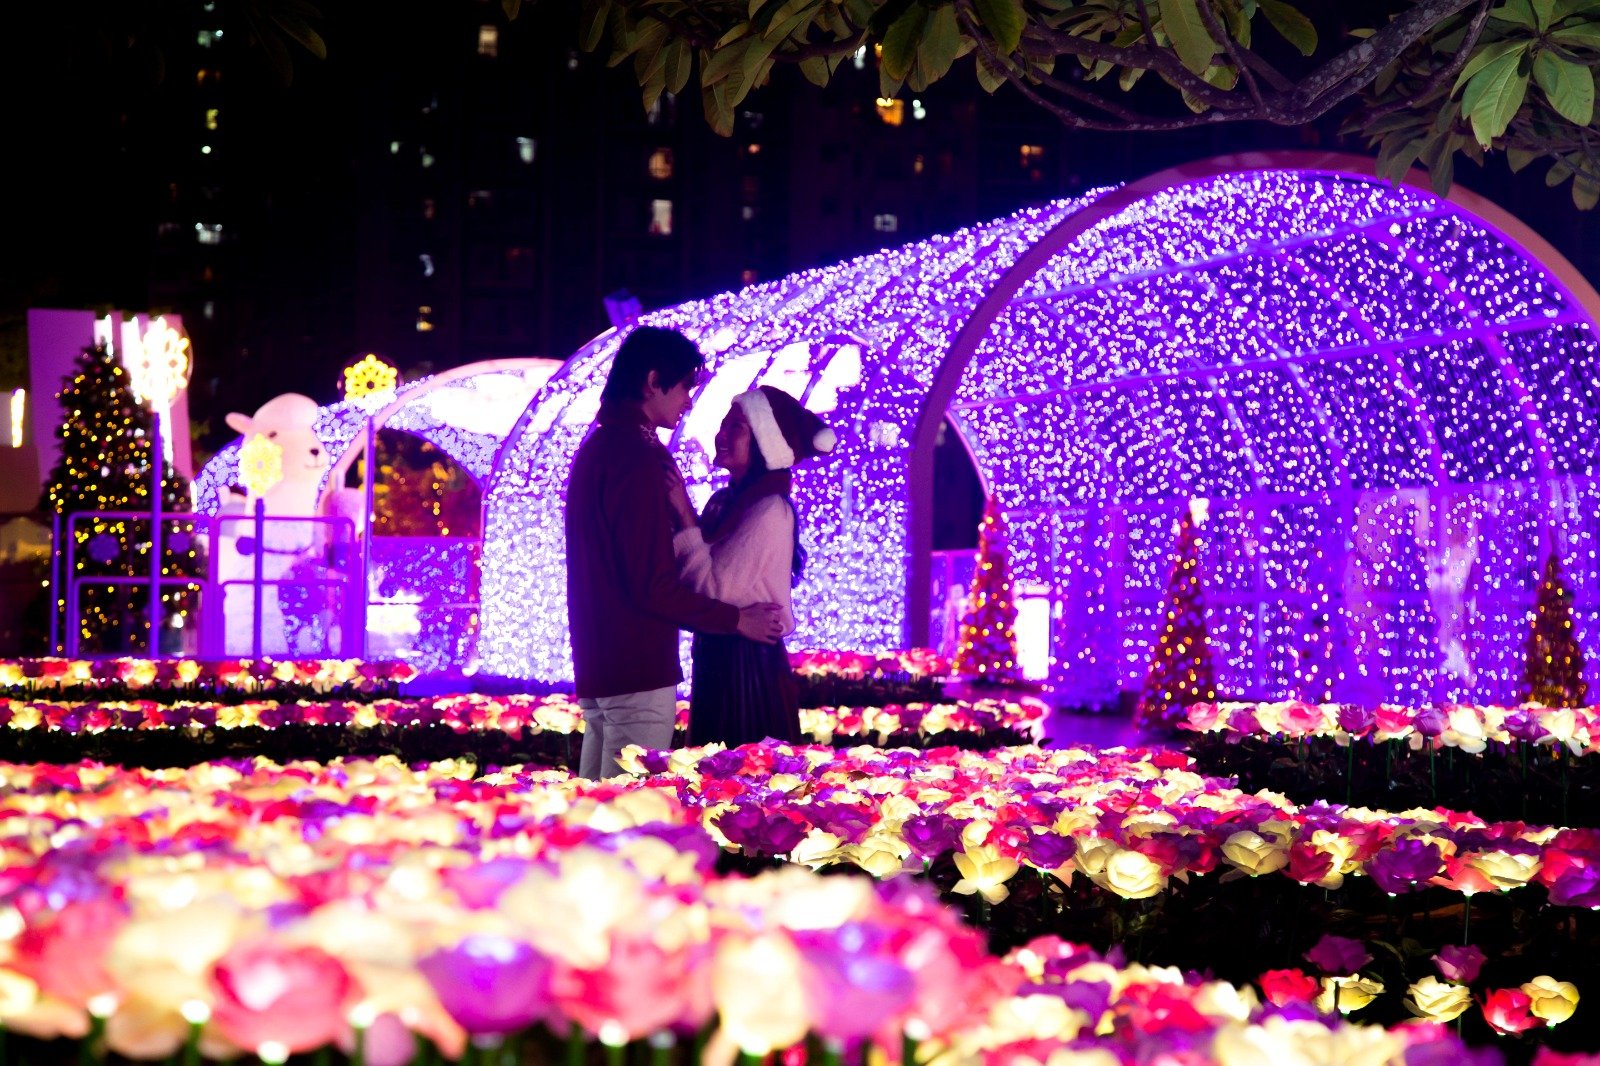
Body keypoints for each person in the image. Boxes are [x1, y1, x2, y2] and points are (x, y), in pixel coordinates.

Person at [566, 327, 785, 779]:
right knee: (629, 814)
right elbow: (653, 585)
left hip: (601, 663)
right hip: (638, 666)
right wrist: (736, 619)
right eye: (685, 385)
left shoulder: (599, 448)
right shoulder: (638, 457)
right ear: (653, 381)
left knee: (595, 808)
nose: (688, 400)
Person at [666, 385, 836, 748]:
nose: (722, 435)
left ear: (763, 442)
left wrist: (683, 515)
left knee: (739, 774)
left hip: (746, 672)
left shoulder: (769, 509)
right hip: (721, 656)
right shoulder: (725, 502)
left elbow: (712, 588)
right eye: (723, 424)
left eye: (737, 428)